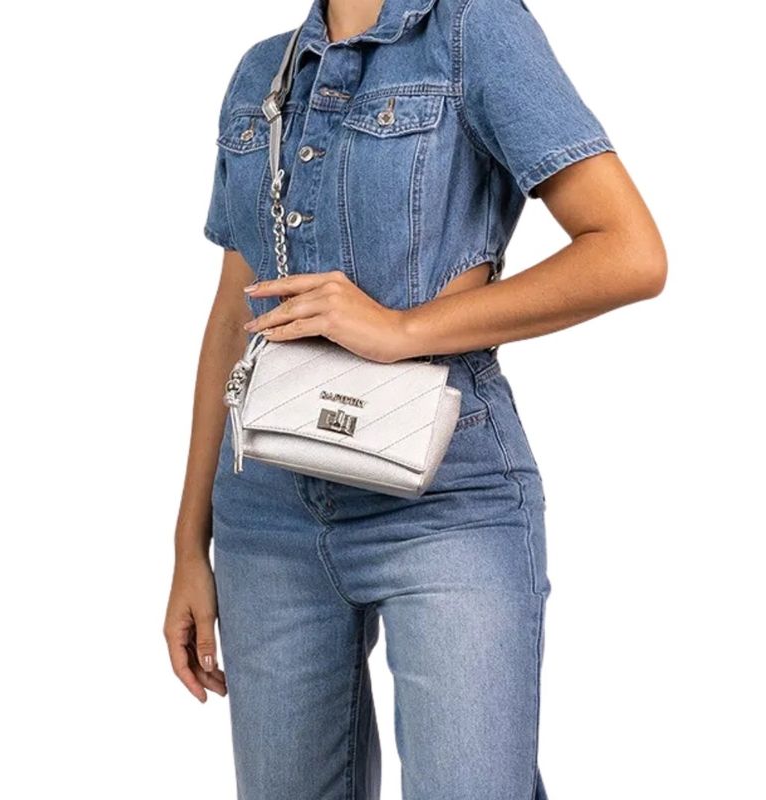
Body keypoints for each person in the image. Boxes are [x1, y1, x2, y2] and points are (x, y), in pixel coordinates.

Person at [163, 0, 667, 797]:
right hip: (267, 516)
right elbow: (235, 312)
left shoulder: (474, 29)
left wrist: (401, 329)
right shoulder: (263, 71)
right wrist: (190, 545)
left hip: (445, 502)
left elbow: (630, 252)